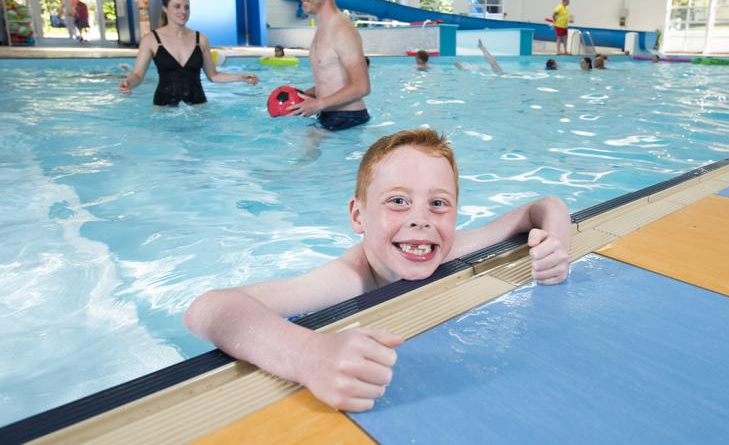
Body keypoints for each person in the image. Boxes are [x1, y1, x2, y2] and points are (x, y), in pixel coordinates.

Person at [184, 128, 571, 412]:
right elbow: (208, 309)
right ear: (358, 215)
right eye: (398, 201)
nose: (421, 219)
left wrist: (555, 244)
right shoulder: (350, 278)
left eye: (438, 203)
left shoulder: (453, 248)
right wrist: (308, 355)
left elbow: (544, 205)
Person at [118, 0, 258, 105]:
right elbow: (137, 75)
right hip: (164, 108)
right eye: (177, 6)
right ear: (165, 9)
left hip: (198, 107)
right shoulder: (151, 40)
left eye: (186, 7)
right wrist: (128, 82)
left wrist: (240, 77)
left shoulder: (200, 39)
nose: (183, 11)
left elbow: (213, 76)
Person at [286, 0, 371, 131]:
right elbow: (331, 81)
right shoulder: (323, 27)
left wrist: (318, 104)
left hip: (348, 119)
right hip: (326, 114)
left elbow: (362, 86)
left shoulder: (342, 30)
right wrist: (303, 95)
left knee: (306, 155)